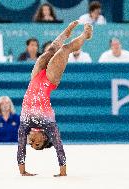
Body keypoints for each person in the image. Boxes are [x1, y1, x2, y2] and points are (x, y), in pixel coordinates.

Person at [17, 20, 93, 177]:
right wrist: (62, 172)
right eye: (37, 143)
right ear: (45, 137)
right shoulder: (49, 125)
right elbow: (59, 147)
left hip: (35, 79)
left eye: (32, 144)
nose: (31, 142)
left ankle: (66, 32)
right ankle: (85, 35)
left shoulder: (24, 125)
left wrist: (23, 171)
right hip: (48, 82)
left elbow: (20, 148)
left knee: (50, 50)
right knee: (64, 50)